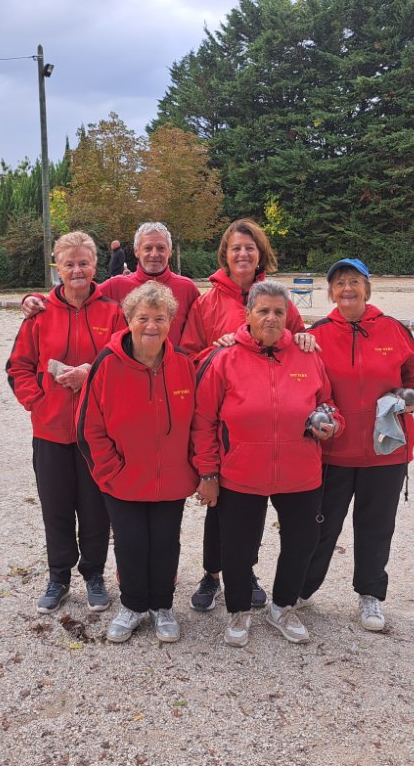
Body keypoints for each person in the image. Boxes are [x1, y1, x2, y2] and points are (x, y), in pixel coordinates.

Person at [192, 281, 340, 647]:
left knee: (301, 543)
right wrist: (208, 472)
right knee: (238, 546)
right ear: (248, 315)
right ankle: (239, 611)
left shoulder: (308, 356)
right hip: (242, 472)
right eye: (263, 311)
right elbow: (203, 421)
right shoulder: (224, 358)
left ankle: (282, 607)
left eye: (279, 312)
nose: (271, 318)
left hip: (299, 471)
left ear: (289, 317)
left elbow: (329, 405)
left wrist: (332, 424)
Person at [297, 258, 414, 633]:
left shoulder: (392, 329)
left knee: (376, 526)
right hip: (334, 452)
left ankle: (370, 594)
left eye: (354, 281)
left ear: (367, 288)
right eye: (339, 283)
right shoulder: (318, 334)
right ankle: (304, 588)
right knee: (321, 526)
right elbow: (303, 384)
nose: (347, 289)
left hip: (385, 450)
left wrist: (413, 397)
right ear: (331, 292)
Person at [180, 218, 307, 614]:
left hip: (263, 419)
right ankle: (212, 573)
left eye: (250, 248)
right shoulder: (207, 301)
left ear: (260, 253)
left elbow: (296, 341)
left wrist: (306, 337)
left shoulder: (278, 298)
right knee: (219, 504)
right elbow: (187, 354)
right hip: (222, 416)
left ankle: (244, 571)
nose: (243, 254)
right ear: (226, 252)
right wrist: (214, 351)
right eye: (236, 248)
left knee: (249, 507)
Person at [6, 231, 126, 615]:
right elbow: (18, 367)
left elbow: (125, 362)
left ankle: (93, 575)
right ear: (56, 266)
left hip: (97, 434)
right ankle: (58, 576)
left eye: (84, 263)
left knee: (95, 510)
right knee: (56, 508)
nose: (77, 270)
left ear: (95, 266)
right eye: (69, 263)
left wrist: (90, 374)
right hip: (51, 430)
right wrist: (37, 401)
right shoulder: (40, 314)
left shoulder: (113, 312)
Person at [77, 282, 196, 644]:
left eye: (159, 318)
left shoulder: (184, 365)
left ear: (171, 321)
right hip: (123, 480)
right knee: (130, 543)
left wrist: (193, 468)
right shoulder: (107, 364)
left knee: (164, 543)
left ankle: (162, 606)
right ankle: (132, 605)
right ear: (128, 319)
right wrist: (112, 470)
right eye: (142, 317)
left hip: (171, 481)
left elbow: (200, 423)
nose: (151, 325)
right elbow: (89, 427)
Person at [21, 222, 202, 341]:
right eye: (148, 248)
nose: (154, 254)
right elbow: (75, 298)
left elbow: (203, 331)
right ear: (137, 251)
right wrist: (35, 299)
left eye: (161, 248)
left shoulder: (187, 288)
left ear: (169, 251)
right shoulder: (116, 286)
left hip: (173, 377)